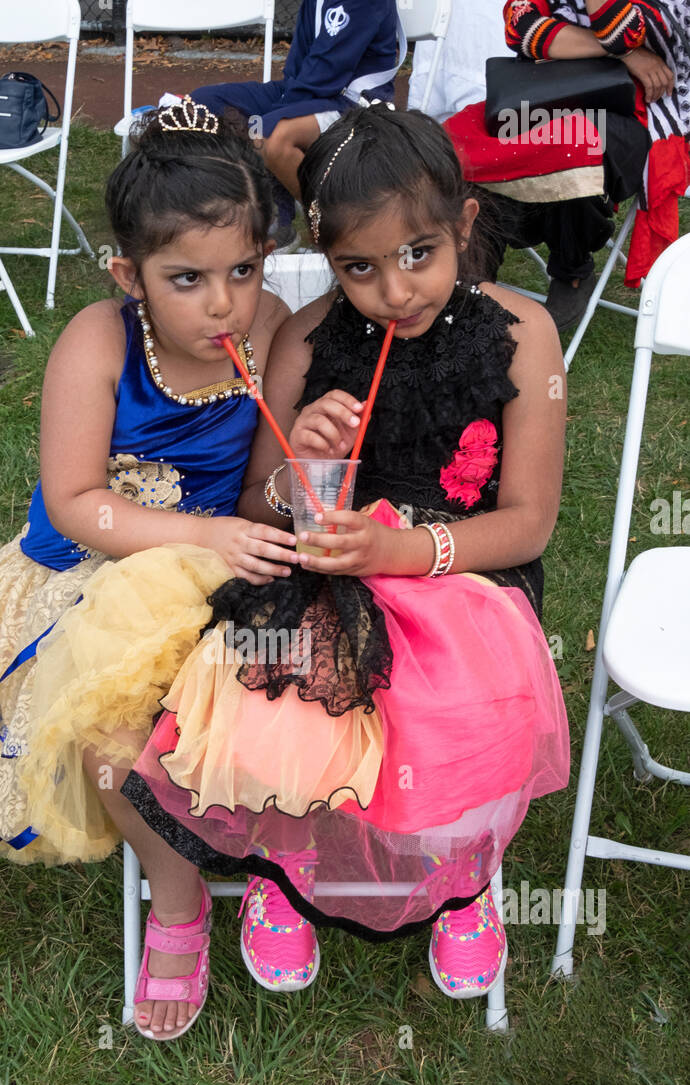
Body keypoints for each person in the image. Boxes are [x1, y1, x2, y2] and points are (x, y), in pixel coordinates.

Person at [112, 104, 571, 1018]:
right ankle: (286, 867)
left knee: (452, 698)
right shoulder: (311, 340)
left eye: (418, 255)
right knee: (278, 688)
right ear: (327, 259)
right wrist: (297, 469)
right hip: (325, 572)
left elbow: (526, 526)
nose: (394, 291)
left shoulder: (524, 334)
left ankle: (463, 875)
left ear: (466, 226)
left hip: (461, 576)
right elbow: (257, 503)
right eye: (359, 267)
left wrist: (400, 550)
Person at [0, 101, 295, 1036]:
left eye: (244, 270)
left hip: (202, 588)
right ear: (127, 275)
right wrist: (200, 534)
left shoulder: (270, 334)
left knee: (123, 749)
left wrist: (291, 475)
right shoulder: (98, 342)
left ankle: (180, 907)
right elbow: (74, 502)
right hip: (74, 573)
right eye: (187, 279)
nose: (223, 303)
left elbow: (264, 488)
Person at [471, 1, 690, 330]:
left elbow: (623, 30)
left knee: (577, 144)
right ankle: (474, 274)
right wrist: (625, 56)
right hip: (544, 95)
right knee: (467, 141)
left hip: (637, 113)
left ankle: (571, 266)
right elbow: (522, 28)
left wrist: (607, 45)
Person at [190, 0, 404, 249]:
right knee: (204, 104)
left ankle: (333, 229)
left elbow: (329, 70)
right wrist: (279, 105)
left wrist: (275, 113)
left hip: (353, 102)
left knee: (270, 137)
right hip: (306, 90)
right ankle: (275, 209)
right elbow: (299, 69)